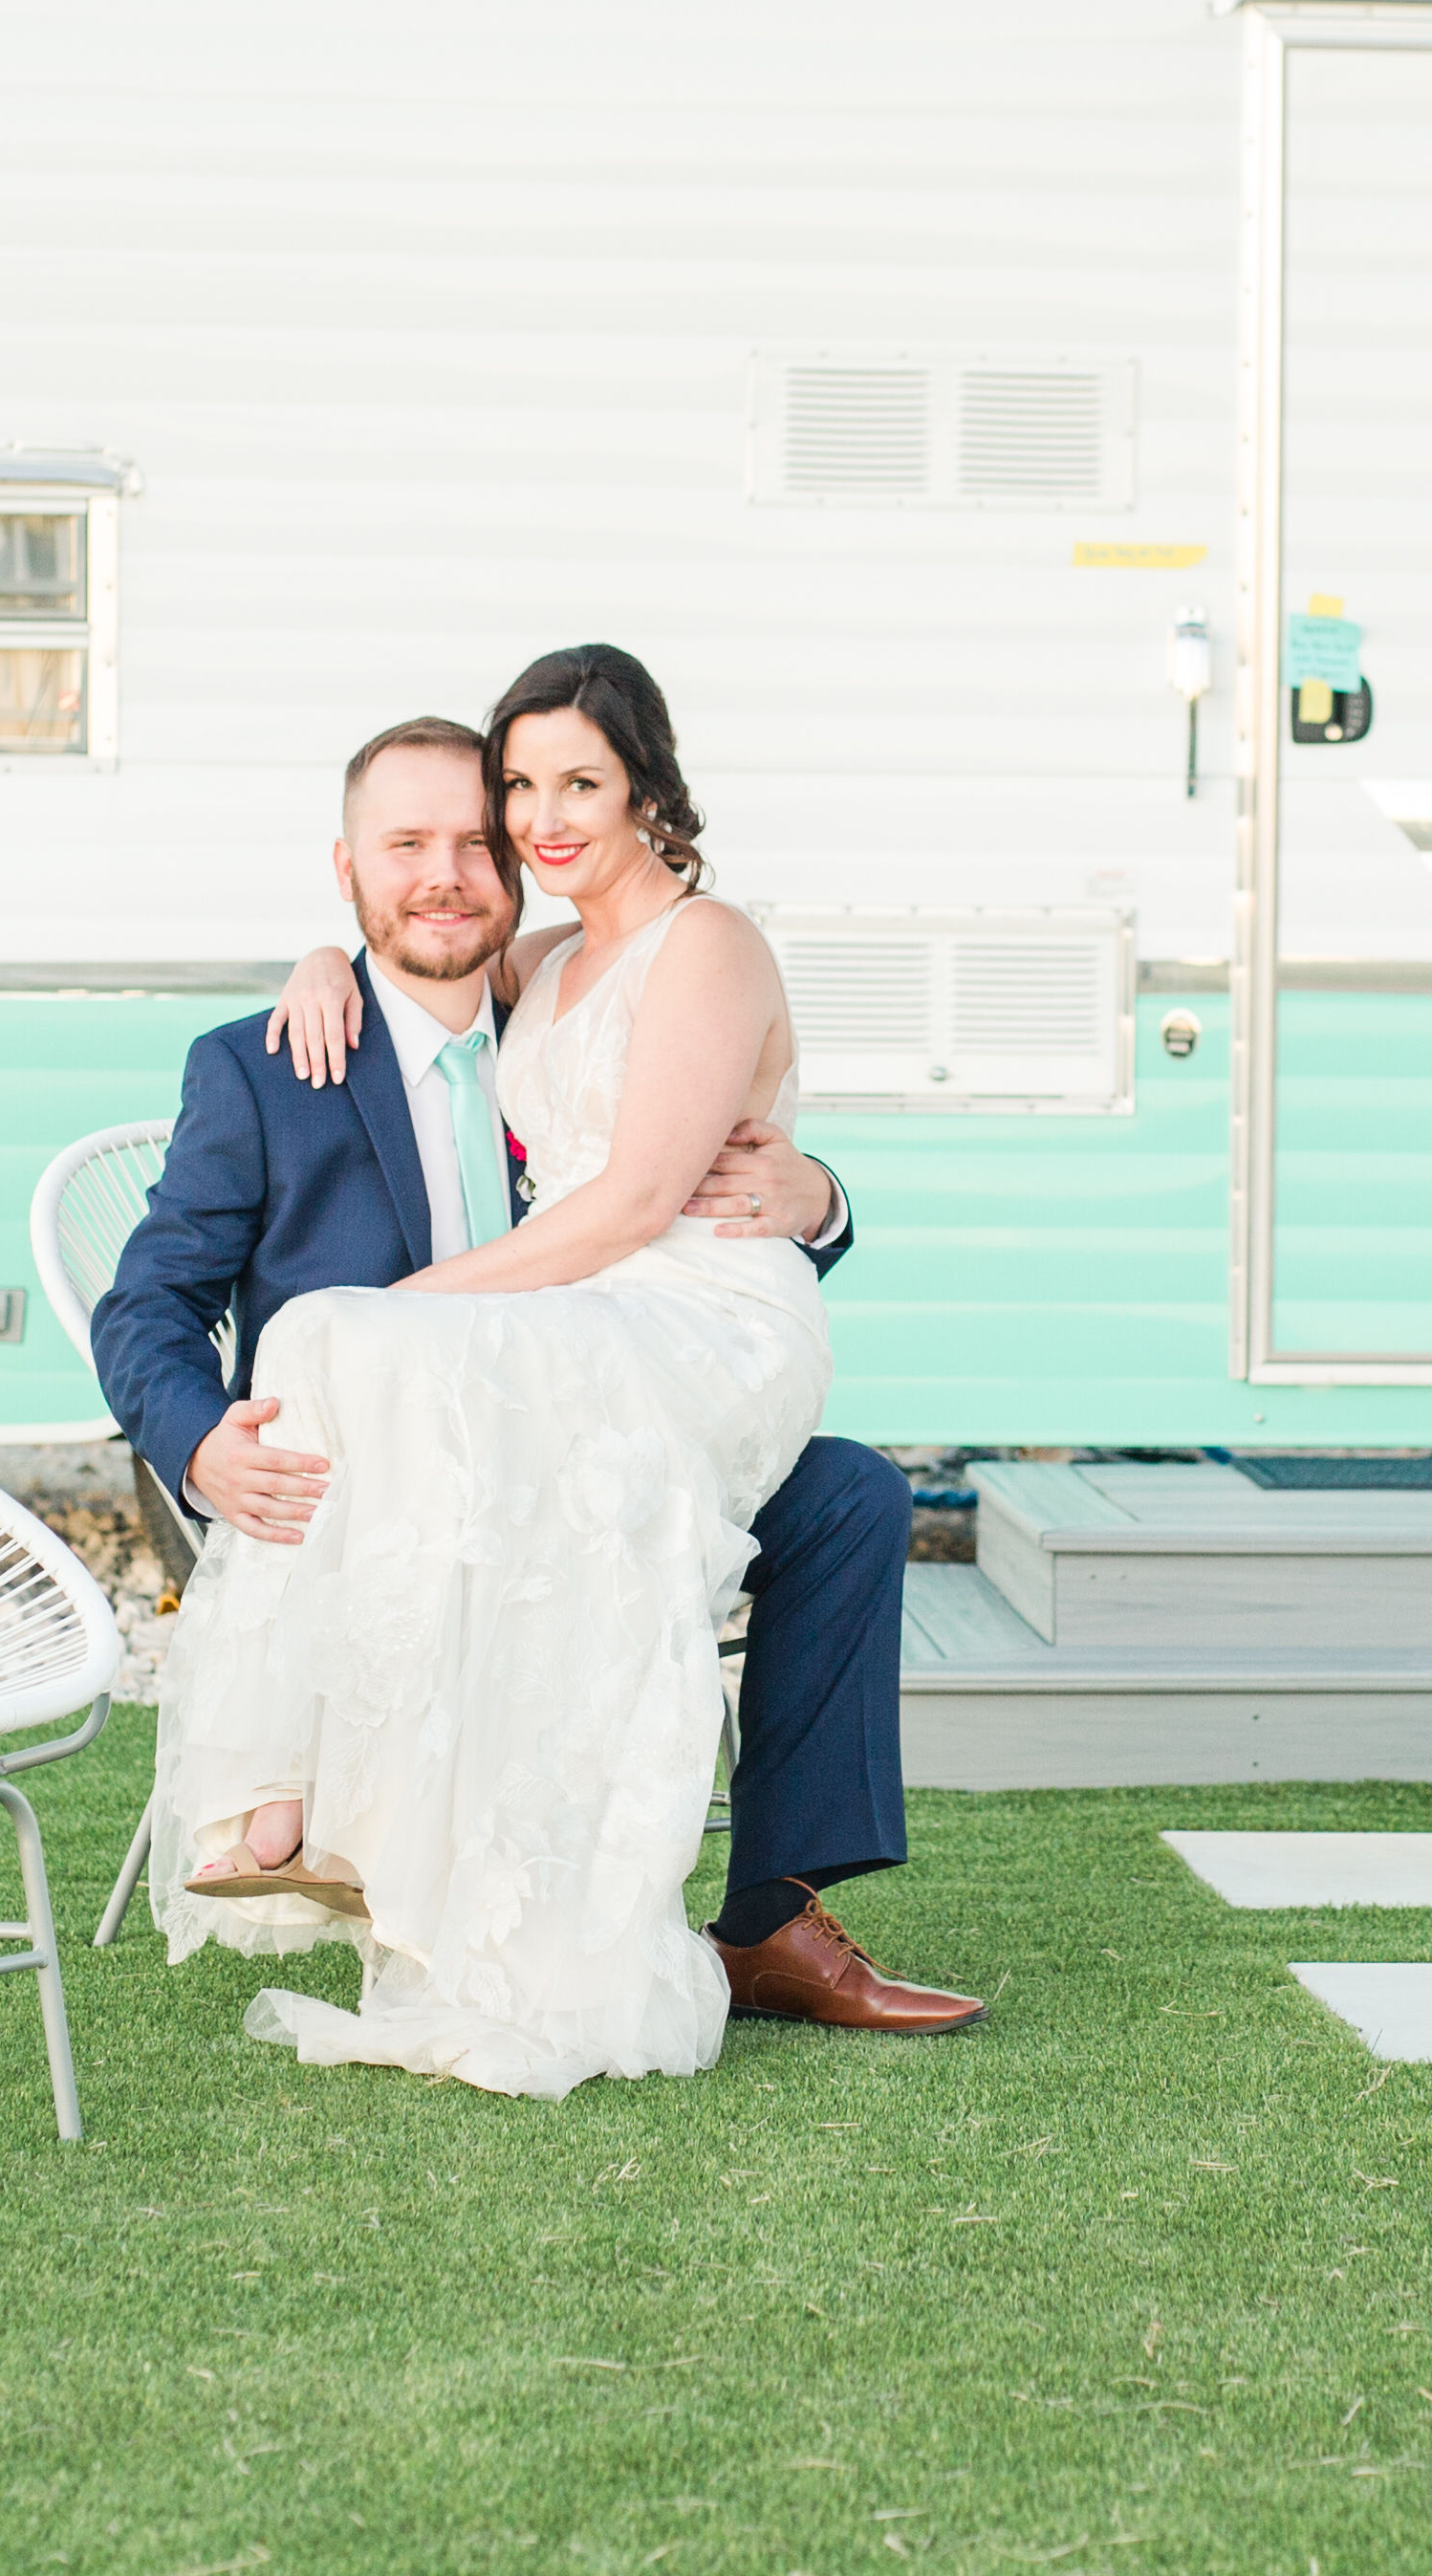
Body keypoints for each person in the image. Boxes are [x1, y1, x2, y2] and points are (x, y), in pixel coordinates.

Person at [92, 653, 977, 2093]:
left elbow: (658, 1185)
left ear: (628, 800)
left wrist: (816, 1195)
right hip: (462, 1421)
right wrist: (198, 1446)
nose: (458, 869)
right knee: (375, 1370)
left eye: (489, 833)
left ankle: (775, 1921)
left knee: (855, 1500)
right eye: (416, 843)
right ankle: (328, 1815)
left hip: (639, 1343)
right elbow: (149, 1305)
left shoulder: (583, 970)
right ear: (350, 871)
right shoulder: (281, 1059)